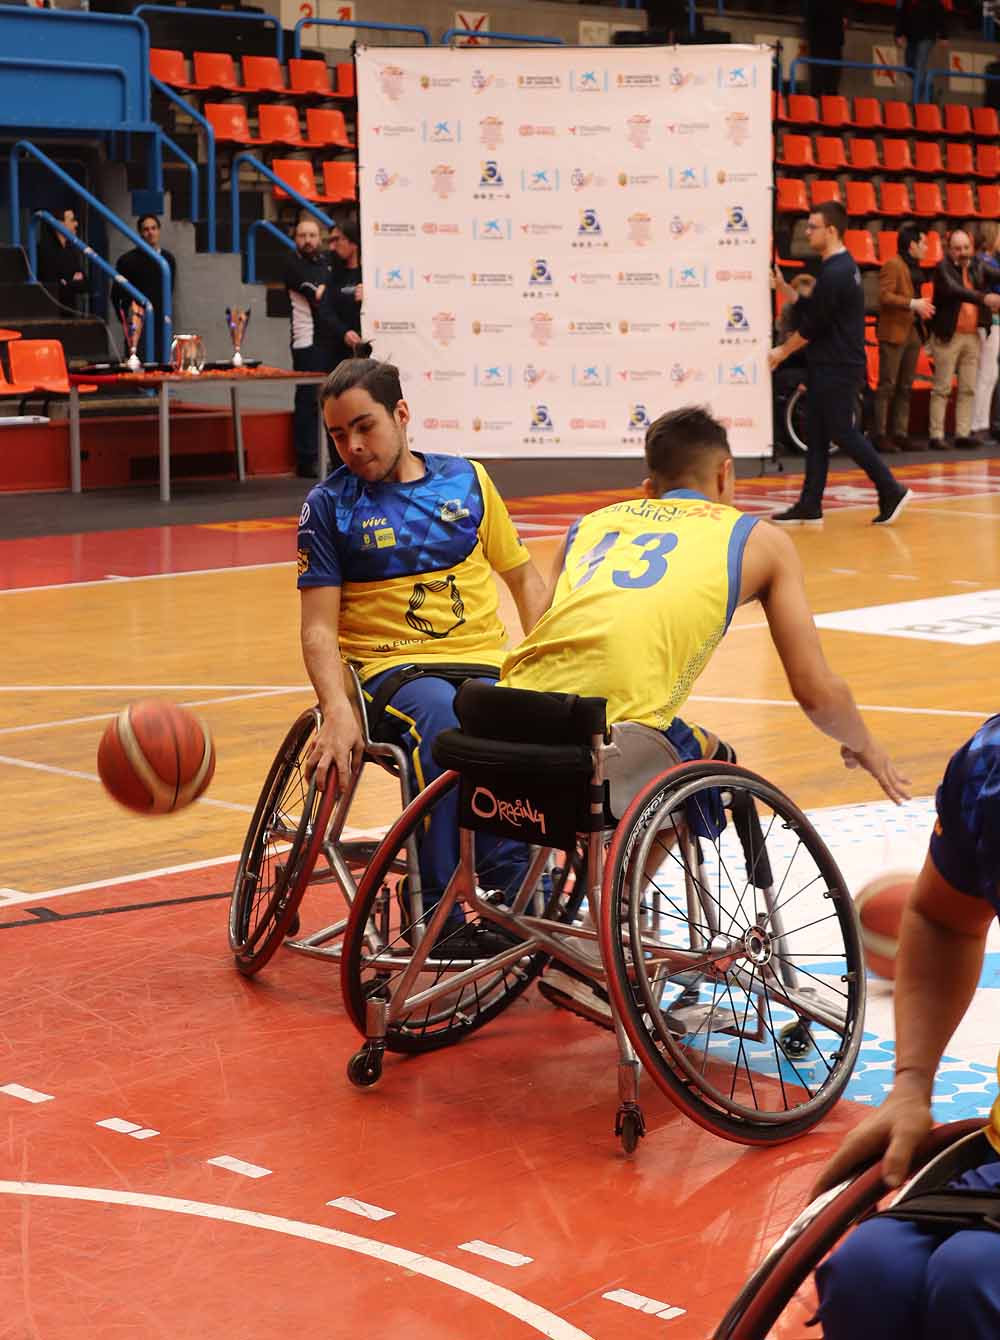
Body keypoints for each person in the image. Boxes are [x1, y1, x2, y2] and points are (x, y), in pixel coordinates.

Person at [499, 405, 909, 1024]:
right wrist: (864, 743)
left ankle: (582, 915)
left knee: (654, 749)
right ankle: (603, 932)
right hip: (604, 737)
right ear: (725, 476)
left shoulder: (588, 525)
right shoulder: (757, 538)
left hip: (507, 714)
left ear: (647, 486)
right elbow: (815, 691)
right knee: (709, 767)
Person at [297, 356, 548, 947]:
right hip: (392, 671)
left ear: (402, 414)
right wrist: (335, 707)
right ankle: (438, 914)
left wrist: (545, 663)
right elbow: (316, 631)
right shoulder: (328, 507)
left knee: (521, 713)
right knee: (441, 715)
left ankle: (518, 898)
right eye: (338, 435)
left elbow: (526, 582)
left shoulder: (468, 482)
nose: (352, 446)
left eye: (365, 426)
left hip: (484, 663)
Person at [811, 713, 1000, 1340]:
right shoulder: (990, 765)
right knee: (872, 1272)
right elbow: (945, 918)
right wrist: (912, 1083)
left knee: (973, 1278)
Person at [769, 200, 910, 526]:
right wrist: (786, 290)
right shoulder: (837, 267)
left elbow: (812, 327)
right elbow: (816, 311)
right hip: (828, 364)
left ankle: (891, 488)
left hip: (837, 365)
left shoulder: (837, 272)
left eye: (812, 227)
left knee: (842, 432)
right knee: (817, 434)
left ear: (830, 230)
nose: (807, 232)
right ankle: (810, 503)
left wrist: (781, 352)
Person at [929, 228, 1000, 449]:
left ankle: (962, 432)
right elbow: (955, 290)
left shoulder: (977, 265)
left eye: (966, 248)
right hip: (949, 334)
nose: (963, 252)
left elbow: (996, 274)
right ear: (949, 250)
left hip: (972, 335)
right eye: (958, 248)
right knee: (942, 387)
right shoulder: (943, 269)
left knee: (968, 387)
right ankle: (936, 435)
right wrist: (983, 297)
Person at [874, 223, 935, 452]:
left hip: (912, 330)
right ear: (912, 245)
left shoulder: (914, 266)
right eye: (923, 243)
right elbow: (884, 296)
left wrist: (920, 308)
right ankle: (879, 434)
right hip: (894, 331)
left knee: (905, 386)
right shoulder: (893, 264)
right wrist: (912, 303)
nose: (927, 247)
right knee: (887, 384)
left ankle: (900, 433)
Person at [284, 215, 337, 478]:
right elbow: (317, 296)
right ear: (296, 239)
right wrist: (333, 290)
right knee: (307, 401)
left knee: (333, 400)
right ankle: (306, 460)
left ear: (320, 238)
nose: (308, 241)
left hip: (329, 340)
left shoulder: (328, 263)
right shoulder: (292, 265)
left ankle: (333, 458)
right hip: (305, 342)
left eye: (312, 236)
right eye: (302, 236)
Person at [115, 214, 177, 357]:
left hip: (161, 323)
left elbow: (169, 290)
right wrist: (128, 320)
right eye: (146, 229)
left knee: (161, 365)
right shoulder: (127, 261)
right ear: (140, 233)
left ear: (159, 231)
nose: (150, 233)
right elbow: (117, 295)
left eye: (154, 228)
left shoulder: (168, 259)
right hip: (138, 322)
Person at [895, 0, 948, 104]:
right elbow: (902, 16)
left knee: (919, 64)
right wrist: (899, 34)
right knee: (910, 65)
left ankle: (916, 100)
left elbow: (940, 16)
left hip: (926, 37)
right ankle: (928, 87)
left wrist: (944, 35)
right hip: (911, 37)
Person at [322, 214, 365, 360]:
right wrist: (344, 333)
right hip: (338, 352)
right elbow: (326, 311)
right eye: (330, 241)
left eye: (337, 240)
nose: (332, 247)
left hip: (367, 350)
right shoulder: (333, 274)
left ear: (353, 242)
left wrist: (371, 298)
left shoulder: (369, 275)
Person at [973, 223, 1000, 440]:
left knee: (990, 374)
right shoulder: (983, 261)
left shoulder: (991, 260)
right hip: (988, 321)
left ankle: (983, 422)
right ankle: (978, 424)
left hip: (994, 321)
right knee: (986, 373)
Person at [805, 0, 848, 98]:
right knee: (831, 78)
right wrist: (840, 21)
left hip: (818, 40)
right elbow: (831, 15)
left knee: (818, 76)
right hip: (829, 41)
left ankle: (816, 103)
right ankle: (829, 105)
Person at [39, 208, 87, 311]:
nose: (76, 224)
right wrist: (72, 282)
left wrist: (68, 283)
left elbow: (85, 284)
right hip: (51, 312)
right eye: (72, 220)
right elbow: (52, 286)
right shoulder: (44, 251)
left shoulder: (71, 249)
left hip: (70, 310)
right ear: (60, 224)